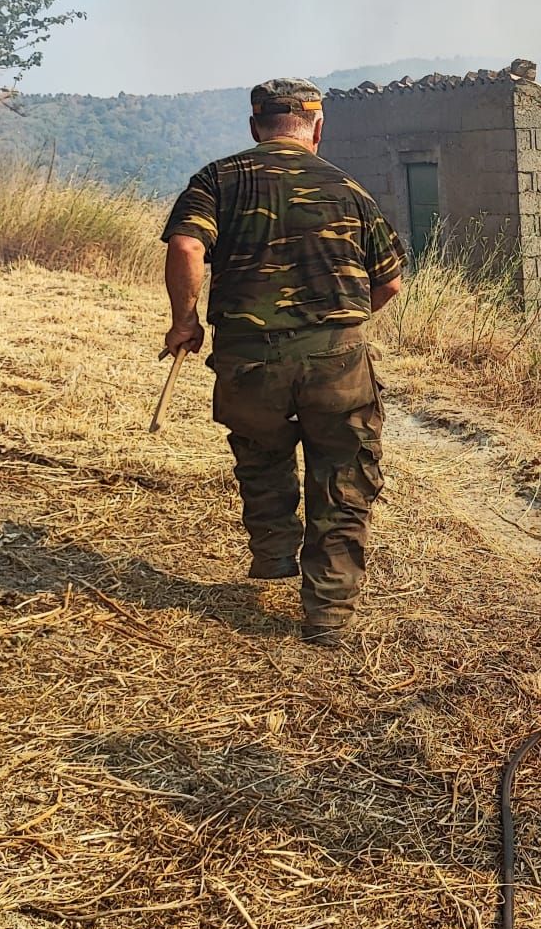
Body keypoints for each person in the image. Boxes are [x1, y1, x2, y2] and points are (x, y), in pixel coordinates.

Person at [160, 78, 407, 646]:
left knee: (260, 448)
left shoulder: (217, 179)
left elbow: (187, 245)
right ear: (318, 128)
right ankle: (328, 613)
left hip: (248, 358)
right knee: (343, 474)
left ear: (255, 127)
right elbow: (390, 282)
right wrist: (343, 321)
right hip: (336, 361)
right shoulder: (349, 189)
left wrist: (184, 321)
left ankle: (273, 552)